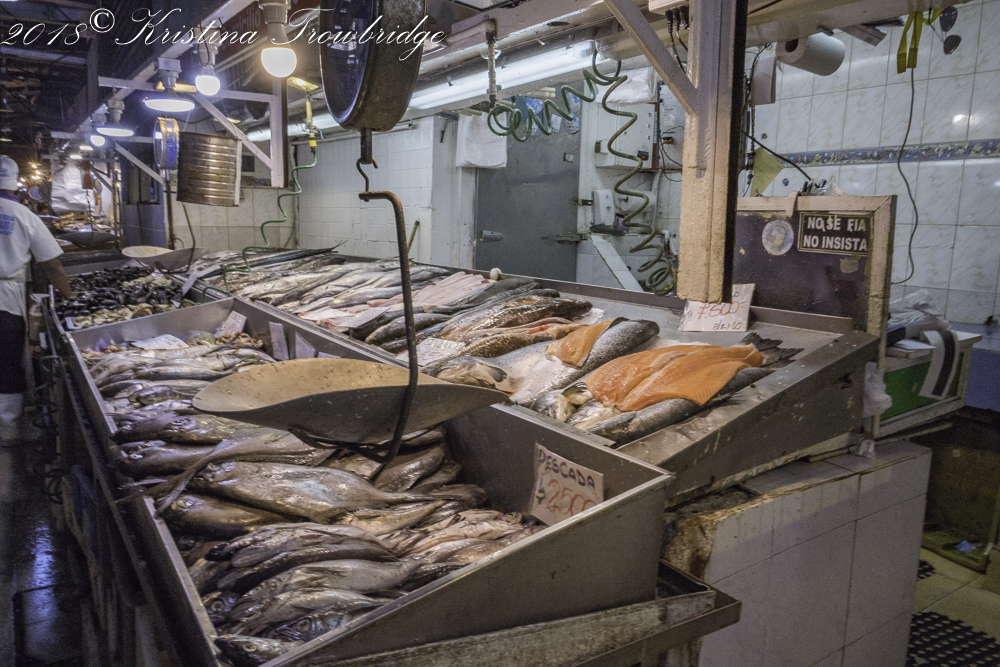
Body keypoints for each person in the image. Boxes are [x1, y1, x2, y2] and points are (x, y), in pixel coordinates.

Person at [0, 156, 74, 439]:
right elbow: (51, 264)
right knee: (6, 362)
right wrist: (69, 297)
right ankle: (8, 431)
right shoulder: (22, 214)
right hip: (5, 301)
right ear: (14, 185)